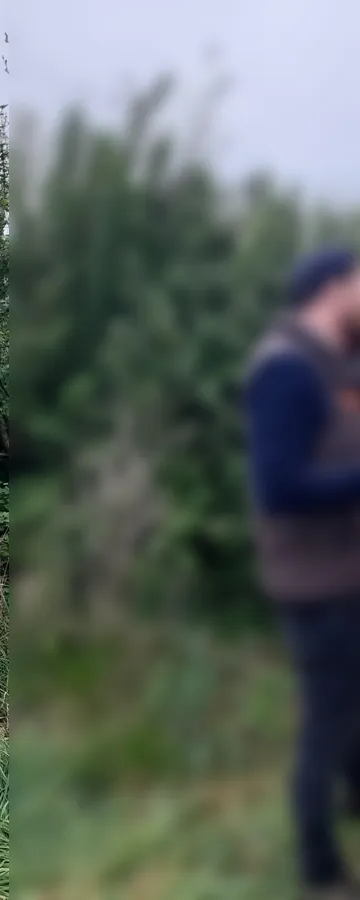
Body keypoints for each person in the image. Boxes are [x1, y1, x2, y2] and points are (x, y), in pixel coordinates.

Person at [243, 246, 360, 900]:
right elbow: (279, 487)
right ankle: (321, 873)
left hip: (349, 573)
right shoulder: (286, 371)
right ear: (331, 289)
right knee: (328, 722)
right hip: (319, 585)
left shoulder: (337, 363)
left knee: (352, 708)